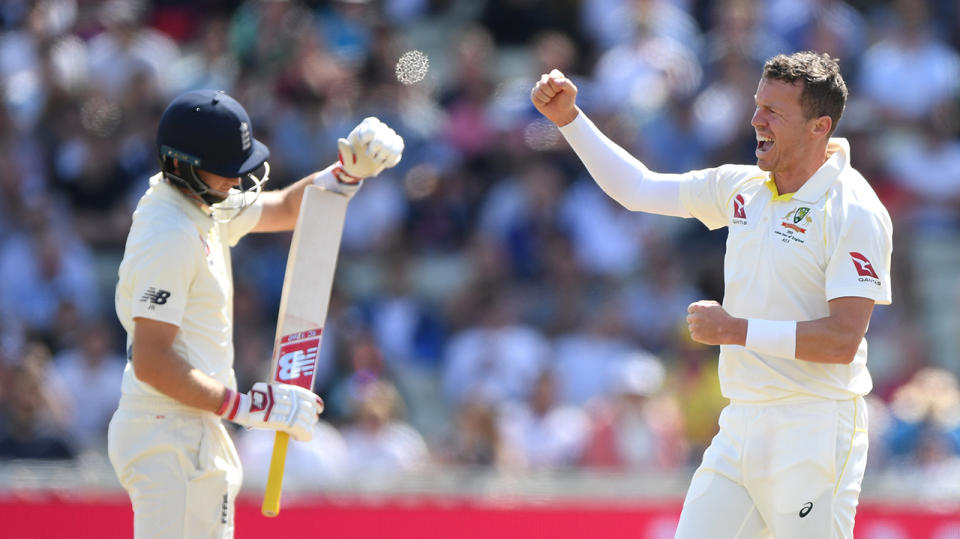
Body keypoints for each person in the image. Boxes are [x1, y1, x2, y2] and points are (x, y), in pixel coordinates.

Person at [531, 51, 892, 538]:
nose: (755, 120)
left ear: (818, 126)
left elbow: (842, 340)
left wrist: (736, 331)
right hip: (741, 423)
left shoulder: (855, 209)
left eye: (774, 112)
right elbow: (638, 189)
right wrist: (570, 121)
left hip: (815, 427)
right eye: (757, 105)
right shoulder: (743, 187)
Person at [107, 89, 403, 538]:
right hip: (167, 431)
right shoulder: (167, 233)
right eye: (228, 170)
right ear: (185, 164)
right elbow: (151, 361)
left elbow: (285, 208)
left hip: (190, 427)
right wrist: (247, 407)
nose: (238, 179)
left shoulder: (199, 202)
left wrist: (345, 173)